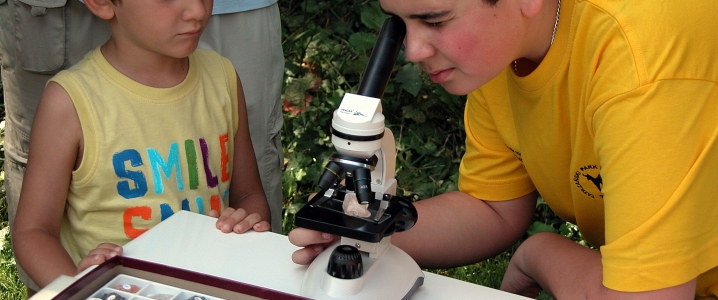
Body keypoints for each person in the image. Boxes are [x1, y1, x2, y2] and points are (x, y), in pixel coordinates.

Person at [288, 0, 718, 299]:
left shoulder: (641, 59)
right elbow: (492, 207)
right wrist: (359, 231)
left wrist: (540, 253)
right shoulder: (504, 47)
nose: (412, 51)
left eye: (435, 20)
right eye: (399, 23)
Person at [0, 0, 284, 293]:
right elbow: (34, 232)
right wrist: (79, 287)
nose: (197, 11)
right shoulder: (69, 102)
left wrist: (245, 222)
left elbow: (250, 196)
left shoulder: (222, 77)